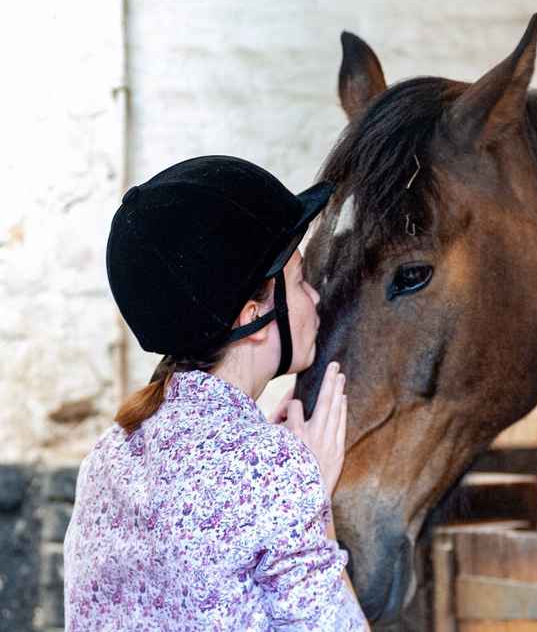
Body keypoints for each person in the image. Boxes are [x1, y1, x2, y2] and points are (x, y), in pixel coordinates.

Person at [63, 156, 370, 631]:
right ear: (252, 317)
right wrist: (313, 503)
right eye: (300, 281)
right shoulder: (275, 472)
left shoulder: (104, 460)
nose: (314, 299)